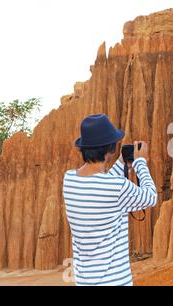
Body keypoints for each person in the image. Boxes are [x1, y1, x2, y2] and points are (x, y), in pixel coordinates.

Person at [62, 114, 157, 286]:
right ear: (111, 149)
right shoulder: (116, 186)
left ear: (83, 149)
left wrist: (121, 163)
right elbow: (151, 196)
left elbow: (100, 187)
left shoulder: (69, 180)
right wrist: (141, 162)